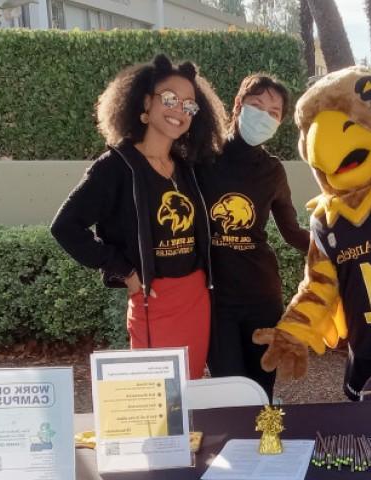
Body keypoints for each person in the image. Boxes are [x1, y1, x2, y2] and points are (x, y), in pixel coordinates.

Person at [51, 54, 227, 379]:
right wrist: (123, 271)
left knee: (190, 396)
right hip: (154, 302)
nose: (180, 110)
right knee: (159, 403)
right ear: (146, 102)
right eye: (171, 99)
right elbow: (65, 226)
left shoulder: (187, 166)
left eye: (189, 105)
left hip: (197, 298)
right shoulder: (115, 166)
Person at [196, 73, 309, 400]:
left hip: (262, 296)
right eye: (257, 105)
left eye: (273, 112)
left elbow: (291, 232)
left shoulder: (272, 170)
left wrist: (332, 252)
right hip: (217, 301)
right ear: (238, 105)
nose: (264, 115)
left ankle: (265, 448)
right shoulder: (203, 159)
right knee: (229, 390)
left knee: (261, 390)